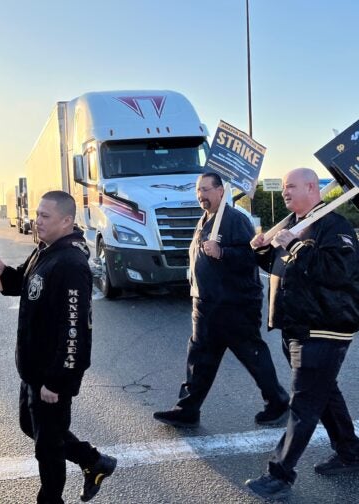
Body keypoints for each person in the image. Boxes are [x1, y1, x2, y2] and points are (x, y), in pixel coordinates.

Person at [0, 191, 116, 504]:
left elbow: (75, 332)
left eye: (45, 216)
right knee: (32, 427)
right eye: (37, 213)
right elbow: (23, 284)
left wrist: (56, 382)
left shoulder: (70, 263)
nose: (37, 220)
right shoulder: (45, 250)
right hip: (33, 369)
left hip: (51, 375)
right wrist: (2, 271)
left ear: (66, 221)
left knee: (48, 448)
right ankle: (93, 460)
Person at [245, 167, 359, 499]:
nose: (284, 192)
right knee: (325, 395)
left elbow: (340, 272)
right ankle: (351, 453)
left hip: (325, 329)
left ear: (312, 187)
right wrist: (264, 250)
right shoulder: (298, 224)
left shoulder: (333, 225)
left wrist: (297, 245)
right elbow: (285, 268)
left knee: (304, 403)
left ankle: (280, 474)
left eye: (290, 186)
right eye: (283, 188)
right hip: (297, 326)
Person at [153, 172, 289, 428]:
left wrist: (223, 252)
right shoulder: (206, 219)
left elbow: (252, 257)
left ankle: (278, 402)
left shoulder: (234, 220)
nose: (200, 195)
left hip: (234, 305)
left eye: (205, 189)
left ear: (220, 191)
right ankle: (187, 409)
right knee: (200, 358)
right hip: (206, 304)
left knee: (252, 355)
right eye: (198, 191)